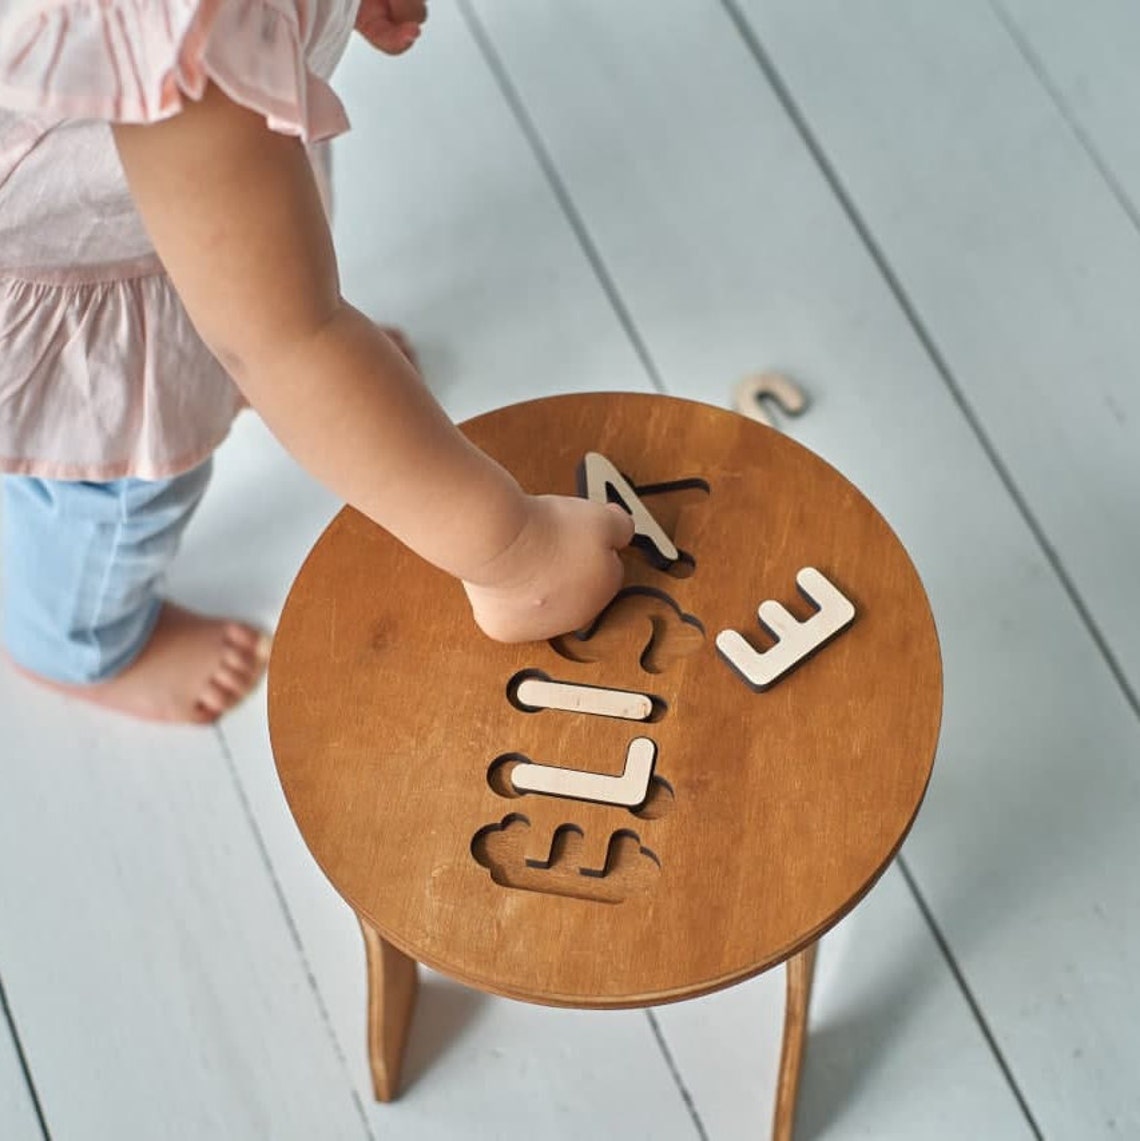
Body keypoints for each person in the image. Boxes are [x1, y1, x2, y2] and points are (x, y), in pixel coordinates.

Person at [0, 0, 634, 724]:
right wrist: (515, 552)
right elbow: (285, 346)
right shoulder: (171, 32)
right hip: (66, 265)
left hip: (166, 173)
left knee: (279, 299)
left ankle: (309, 370)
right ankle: (76, 645)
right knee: (113, 487)